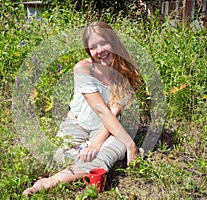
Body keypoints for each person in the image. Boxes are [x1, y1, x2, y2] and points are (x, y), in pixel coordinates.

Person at [23, 21, 141, 196]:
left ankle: (49, 182)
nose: (100, 50)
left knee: (104, 156)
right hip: (77, 125)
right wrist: (129, 145)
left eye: (103, 43)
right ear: (88, 51)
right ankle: (87, 159)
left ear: (114, 42)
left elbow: (112, 112)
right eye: (93, 47)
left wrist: (98, 143)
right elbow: (101, 109)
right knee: (61, 156)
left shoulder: (125, 71)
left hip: (106, 128)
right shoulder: (83, 69)